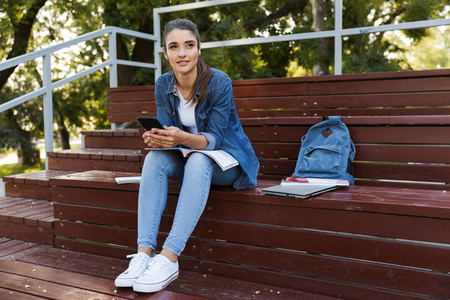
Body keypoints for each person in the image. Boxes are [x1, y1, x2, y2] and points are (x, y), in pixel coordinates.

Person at [114, 18, 259, 293]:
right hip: (190, 159)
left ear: (199, 49)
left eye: (189, 45)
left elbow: (214, 139)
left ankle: (169, 257)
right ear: (165, 53)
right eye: (174, 47)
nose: (182, 53)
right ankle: (143, 255)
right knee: (154, 159)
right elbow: (170, 134)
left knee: (199, 157)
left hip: (227, 161)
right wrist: (159, 139)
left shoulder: (219, 82)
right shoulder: (162, 84)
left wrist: (180, 138)